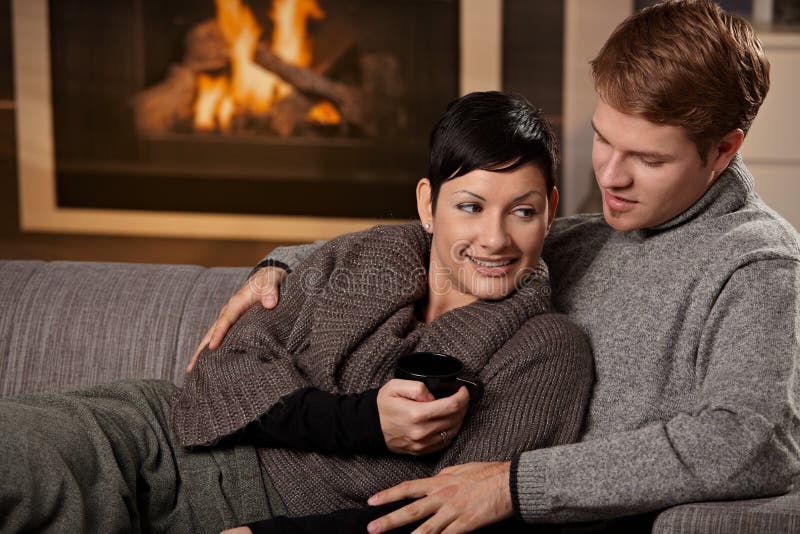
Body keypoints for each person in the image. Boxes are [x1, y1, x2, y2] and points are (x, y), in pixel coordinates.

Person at [197, 1, 800, 532]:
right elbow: (457, 232)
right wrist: (285, 264)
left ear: (724, 149)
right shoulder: (601, 232)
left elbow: (754, 442)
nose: (610, 176)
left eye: (646, 157)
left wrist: (514, 485)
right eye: (603, 140)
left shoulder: (757, 265)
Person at [0, 92, 593, 533]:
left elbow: (446, 514)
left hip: (278, 511)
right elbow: (220, 372)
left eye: (521, 210)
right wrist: (359, 422)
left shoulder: (548, 350)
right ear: (428, 205)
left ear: (550, 212)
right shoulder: (364, 255)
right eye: (470, 206)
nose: (494, 239)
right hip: (164, 436)